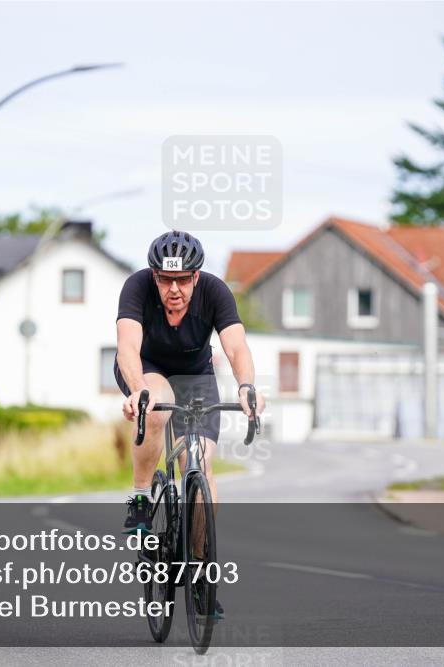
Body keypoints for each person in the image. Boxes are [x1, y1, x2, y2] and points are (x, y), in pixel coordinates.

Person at [113, 231, 265, 616]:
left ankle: (198, 566)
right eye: (165, 279)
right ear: (154, 276)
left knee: (200, 463)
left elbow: (235, 346)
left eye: (183, 280)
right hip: (146, 370)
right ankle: (141, 497)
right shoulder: (136, 288)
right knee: (158, 404)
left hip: (196, 376)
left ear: (196, 277)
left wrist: (247, 387)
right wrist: (136, 390)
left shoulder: (215, 292)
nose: (174, 289)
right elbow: (127, 346)